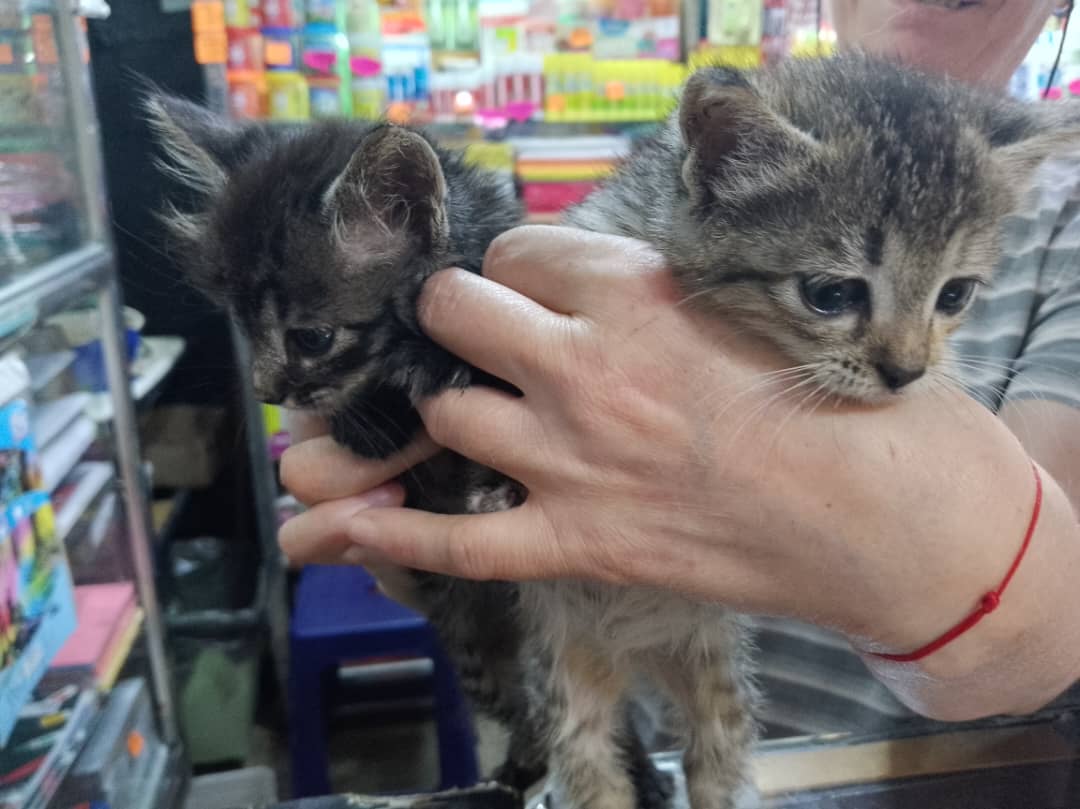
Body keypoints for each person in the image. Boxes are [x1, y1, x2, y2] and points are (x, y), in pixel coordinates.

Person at [278, 0, 1080, 723]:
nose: (910, 360)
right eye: (835, 291)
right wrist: (446, 541)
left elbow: (1040, 644)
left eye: (953, 297)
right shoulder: (696, 199)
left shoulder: (1058, 226)